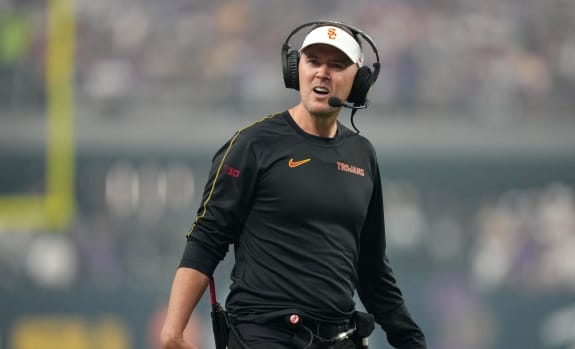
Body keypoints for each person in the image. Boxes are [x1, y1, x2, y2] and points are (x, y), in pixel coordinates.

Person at [160, 20, 427, 349]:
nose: (322, 73)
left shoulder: (363, 154)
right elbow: (207, 238)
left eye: (337, 65)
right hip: (264, 335)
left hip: (340, 338)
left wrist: (413, 342)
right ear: (295, 69)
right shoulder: (253, 145)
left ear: (359, 80)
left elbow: (372, 269)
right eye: (313, 61)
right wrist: (173, 332)